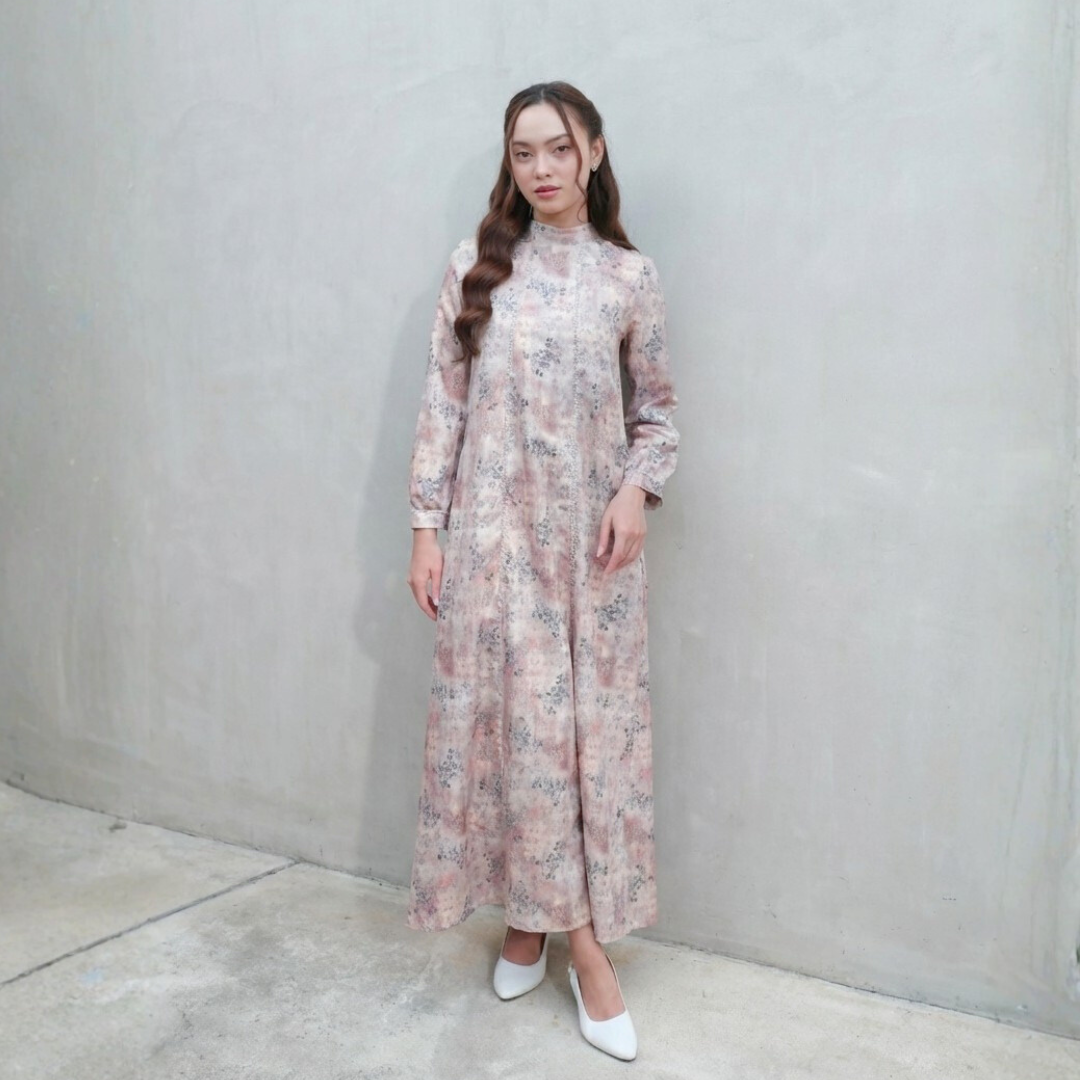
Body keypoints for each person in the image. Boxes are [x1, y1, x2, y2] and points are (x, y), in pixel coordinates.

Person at [404, 80, 680, 1061]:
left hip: (590, 562)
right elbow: (443, 403)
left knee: (572, 748)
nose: (542, 169)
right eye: (524, 153)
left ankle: (540, 925)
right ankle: (577, 947)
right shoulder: (476, 266)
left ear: (594, 151)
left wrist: (633, 493)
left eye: (559, 148)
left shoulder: (628, 278)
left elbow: (658, 416)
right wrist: (427, 528)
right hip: (492, 548)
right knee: (519, 741)